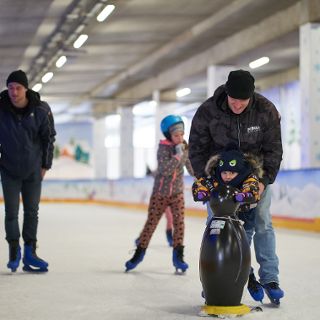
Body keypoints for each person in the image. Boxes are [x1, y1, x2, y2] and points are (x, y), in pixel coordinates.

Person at [188, 69, 284, 304]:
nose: (238, 105)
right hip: (221, 180)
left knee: (262, 223)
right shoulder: (208, 111)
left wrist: (263, 182)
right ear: (227, 93)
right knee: (217, 226)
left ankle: (270, 279)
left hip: (255, 177)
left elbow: (274, 150)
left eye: (243, 101)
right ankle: (213, 279)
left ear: (251, 96)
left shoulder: (266, 110)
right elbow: (196, 149)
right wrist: (205, 180)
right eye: (233, 100)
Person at [0, 70, 56, 272]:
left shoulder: (41, 110)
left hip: (33, 171)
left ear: (26, 89)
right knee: (11, 212)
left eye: (18, 87)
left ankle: (30, 253)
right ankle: (14, 252)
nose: (14, 92)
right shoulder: (1, 109)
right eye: (10, 87)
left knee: (32, 212)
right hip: (9, 171)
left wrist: (45, 165)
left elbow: (49, 138)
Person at [125, 115, 194, 272]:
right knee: (151, 224)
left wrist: (202, 176)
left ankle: (178, 257)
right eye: (176, 135)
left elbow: (190, 167)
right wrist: (177, 155)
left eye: (182, 134)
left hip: (177, 193)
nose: (180, 137)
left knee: (179, 224)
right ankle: (138, 254)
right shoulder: (163, 148)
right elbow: (165, 170)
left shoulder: (184, 146)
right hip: (160, 194)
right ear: (169, 135)